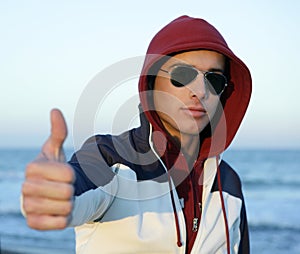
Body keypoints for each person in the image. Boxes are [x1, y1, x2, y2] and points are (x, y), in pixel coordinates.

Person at [21, 15, 252, 253]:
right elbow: (78, 186)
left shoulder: (229, 182)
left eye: (214, 80)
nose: (201, 91)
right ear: (151, 84)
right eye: (182, 75)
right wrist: (54, 195)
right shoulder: (111, 158)